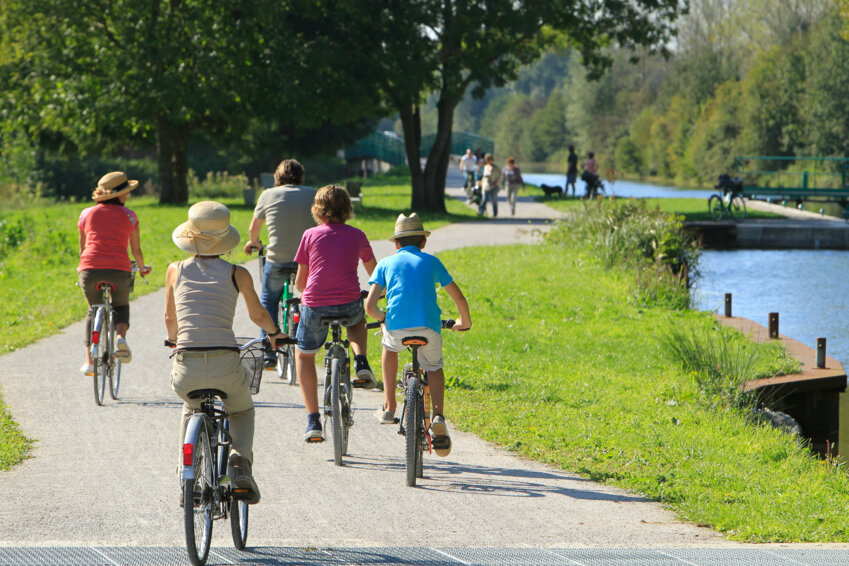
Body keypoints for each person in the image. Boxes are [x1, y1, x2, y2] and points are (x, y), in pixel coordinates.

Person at [165, 201, 283, 505]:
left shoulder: (174, 270)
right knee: (241, 410)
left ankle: (185, 478)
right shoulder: (237, 273)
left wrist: (172, 340)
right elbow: (257, 315)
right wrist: (274, 334)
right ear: (225, 241)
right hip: (225, 363)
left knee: (190, 407)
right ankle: (239, 462)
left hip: (187, 364)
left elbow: (170, 320)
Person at [365, 213, 471, 456]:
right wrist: (464, 320)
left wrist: (384, 319)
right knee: (433, 367)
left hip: (397, 327)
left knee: (389, 348)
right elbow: (458, 296)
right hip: (428, 327)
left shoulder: (385, 264)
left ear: (396, 243)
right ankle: (438, 415)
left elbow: (370, 307)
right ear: (423, 242)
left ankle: (390, 405)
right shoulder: (432, 262)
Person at [293, 185, 377, 442]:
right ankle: (361, 360)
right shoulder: (358, 235)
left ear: (317, 210)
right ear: (347, 209)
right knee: (357, 320)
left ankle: (313, 420)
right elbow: (375, 273)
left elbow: (300, 284)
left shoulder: (309, 235)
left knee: (304, 355)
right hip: (349, 302)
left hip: (316, 305)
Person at [244, 159, 316, 368]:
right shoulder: (313, 194)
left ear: (277, 177)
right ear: (301, 176)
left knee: (269, 299)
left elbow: (253, 229)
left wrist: (254, 243)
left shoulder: (268, 195)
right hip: (307, 261)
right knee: (308, 299)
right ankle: (308, 343)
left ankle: (269, 351)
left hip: (277, 258)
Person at [77, 171, 152, 376]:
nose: (128, 196)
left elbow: (83, 249)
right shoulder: (129, 215)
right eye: (126, 192)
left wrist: (82, 267)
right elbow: (135, 250)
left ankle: (89, 362)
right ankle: (120, 337)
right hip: (119, 269)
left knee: (93, 310)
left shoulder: (85, 214)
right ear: (119, 195)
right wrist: (142, 268)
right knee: (120, 306)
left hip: (89, 269)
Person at [477, 153, 502, 218]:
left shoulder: (496, 168)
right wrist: (481, 183)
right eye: (487, 160)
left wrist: (497, 182)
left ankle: (495, 213)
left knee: (494, 200)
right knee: (484, 199)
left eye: (489, 160)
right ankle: (481, 212)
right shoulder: (485, 167)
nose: (488, 161)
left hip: (494, 185)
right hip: (486, 185)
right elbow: (484, 176)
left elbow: (501, 176)